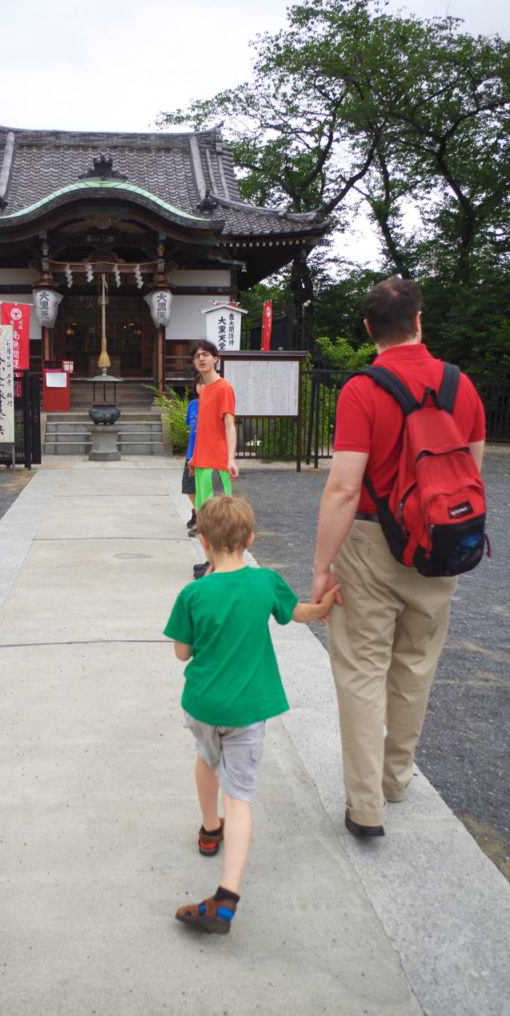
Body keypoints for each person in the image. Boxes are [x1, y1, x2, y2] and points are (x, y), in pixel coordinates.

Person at [311, 277, 486, 838]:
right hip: (438, 547)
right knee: (416, 665)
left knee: (362, 670)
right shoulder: (464, 388)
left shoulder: (363, 390)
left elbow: (343, 487)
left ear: (368, 329)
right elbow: (469, 476)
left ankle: (365, 808)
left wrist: (321, 567)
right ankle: (395, 777)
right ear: (419, 320)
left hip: (370, 544)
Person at [165, 495, 339, 934]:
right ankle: (226, 896)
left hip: (203, 705)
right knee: (239, 797)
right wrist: (322, 608)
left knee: (206, 759)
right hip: (247, 709)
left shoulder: (193, 593)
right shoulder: (265, 583)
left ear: (203, 543)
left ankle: (209, 832)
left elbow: (181, 654)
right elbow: (297, 613)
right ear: (250, 539)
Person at [188, 340, 239, 578]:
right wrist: (194, 458)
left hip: (217, 464)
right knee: (204, 516)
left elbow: (230, 426)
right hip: (201, 462)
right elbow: (203, 428)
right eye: (197, 356)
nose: (201, 359)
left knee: (218, 517)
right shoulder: (204, 390)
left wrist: (231, 458)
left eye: (205, 354)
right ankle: (211, 561)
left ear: (215, 359)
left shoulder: (223, 387)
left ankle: (222, 565)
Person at [182, 373, 202, 536]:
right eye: (198, 384)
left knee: (202, 488)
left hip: (205, 454)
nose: (201, 387)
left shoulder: (212, 405)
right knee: (188, 487)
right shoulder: (192, 405)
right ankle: (198, 512)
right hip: (191, 452)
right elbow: (191, 427)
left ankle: (202, 521)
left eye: (204, 384)